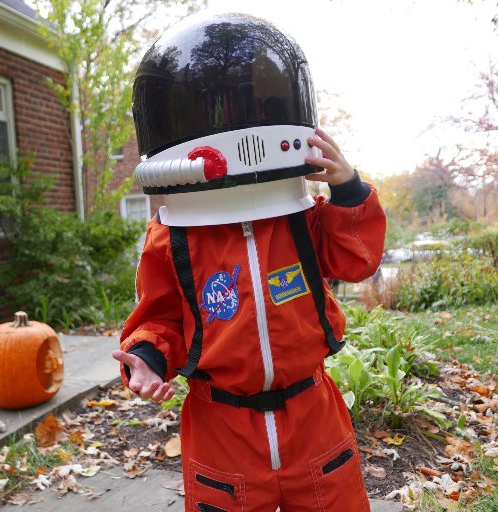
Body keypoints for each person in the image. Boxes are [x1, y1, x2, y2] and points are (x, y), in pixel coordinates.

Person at [112, 12, 386, 512]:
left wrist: (348, 188)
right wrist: (150, 359)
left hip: (311, 412)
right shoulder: (172, 238)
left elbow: (356, 260)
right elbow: (160, 317)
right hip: (222, 427)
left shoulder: (302, 219)